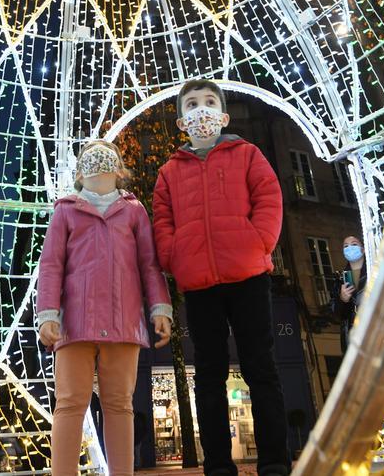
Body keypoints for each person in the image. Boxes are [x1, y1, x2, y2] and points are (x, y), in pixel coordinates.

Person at [151, 79, 290, 476]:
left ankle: (275, 463)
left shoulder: (247, 154)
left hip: (248, 276)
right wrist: (174, 257)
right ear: (182, 121)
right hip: (198, 285)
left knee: (260, 368)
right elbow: (163, 220)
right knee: (208, 375)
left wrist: (257, 241)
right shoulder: (168, 172)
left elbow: (268, 197)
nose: (201, 109)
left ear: (224, 115)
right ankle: (217, 465)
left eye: (209, 102)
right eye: (192, 104)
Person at [36, 140, 174, 476]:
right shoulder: (65, 210)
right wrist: (48, 314)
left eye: (105, 151)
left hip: (123, 323)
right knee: (69, 404)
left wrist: (160, 307)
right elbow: (51, 264)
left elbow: (149, 264)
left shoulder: (134, 211)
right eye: (90, 153)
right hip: (74, 324)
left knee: (119, 406)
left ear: (119, 169)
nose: (98, 154)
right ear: (80, 173)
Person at [335, 236, 367, 352]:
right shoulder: (341, 279)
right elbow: (337, 314)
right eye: (346, 246)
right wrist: (343, 300)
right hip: (354, 336)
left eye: (354, 244)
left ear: (363, 249)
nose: (350, 248)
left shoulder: (374, 271)